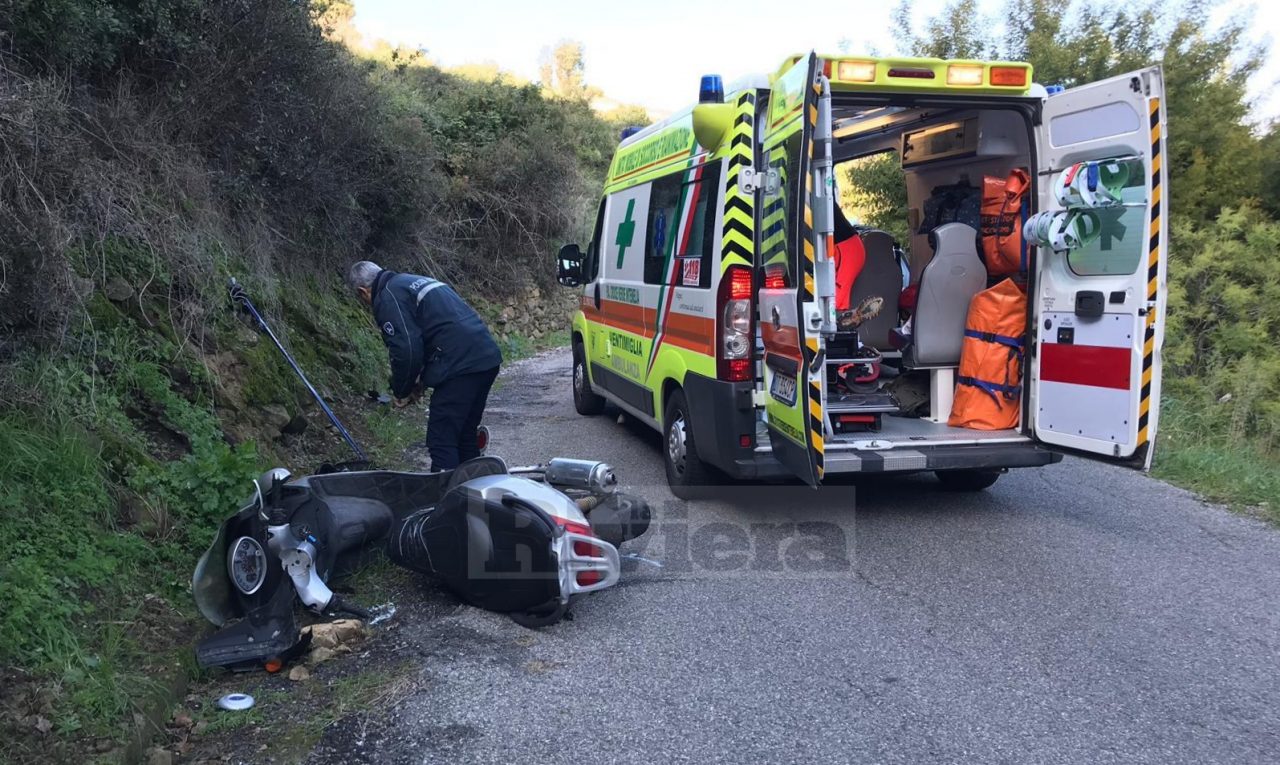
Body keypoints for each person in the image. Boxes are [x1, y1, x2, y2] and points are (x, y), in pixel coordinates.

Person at [347, 260, 502, 471]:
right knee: (465, 436)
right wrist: (419, 383)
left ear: (363, 292)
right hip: (485, 356)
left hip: (460, 365)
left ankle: (449, 500)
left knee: (442, 440)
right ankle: (473, 500)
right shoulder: (411, 281)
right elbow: (436, 334)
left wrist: (402, 390)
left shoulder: (387, 297)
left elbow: (407, 350)